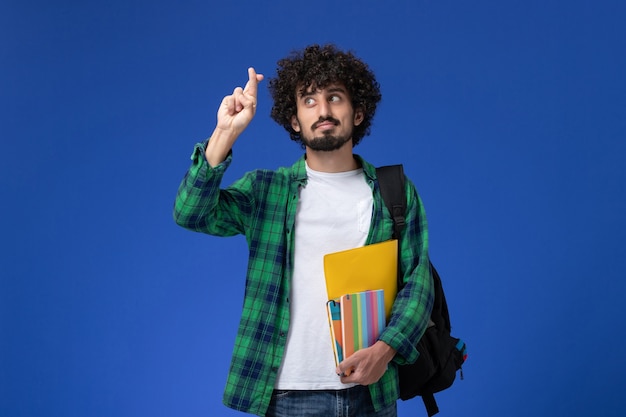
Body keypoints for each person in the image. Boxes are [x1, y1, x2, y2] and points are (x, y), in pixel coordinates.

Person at [173, 44, 433, 417]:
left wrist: (385, 349)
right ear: (294, 120)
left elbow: (417, 281)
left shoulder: (394, 190)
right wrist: (224, 133)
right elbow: (190, 213)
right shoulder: (267, 191)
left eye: (335, 97)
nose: (323, 110)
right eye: (309, 100)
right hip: (288, 395)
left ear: (357, 112)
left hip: (371, 392)